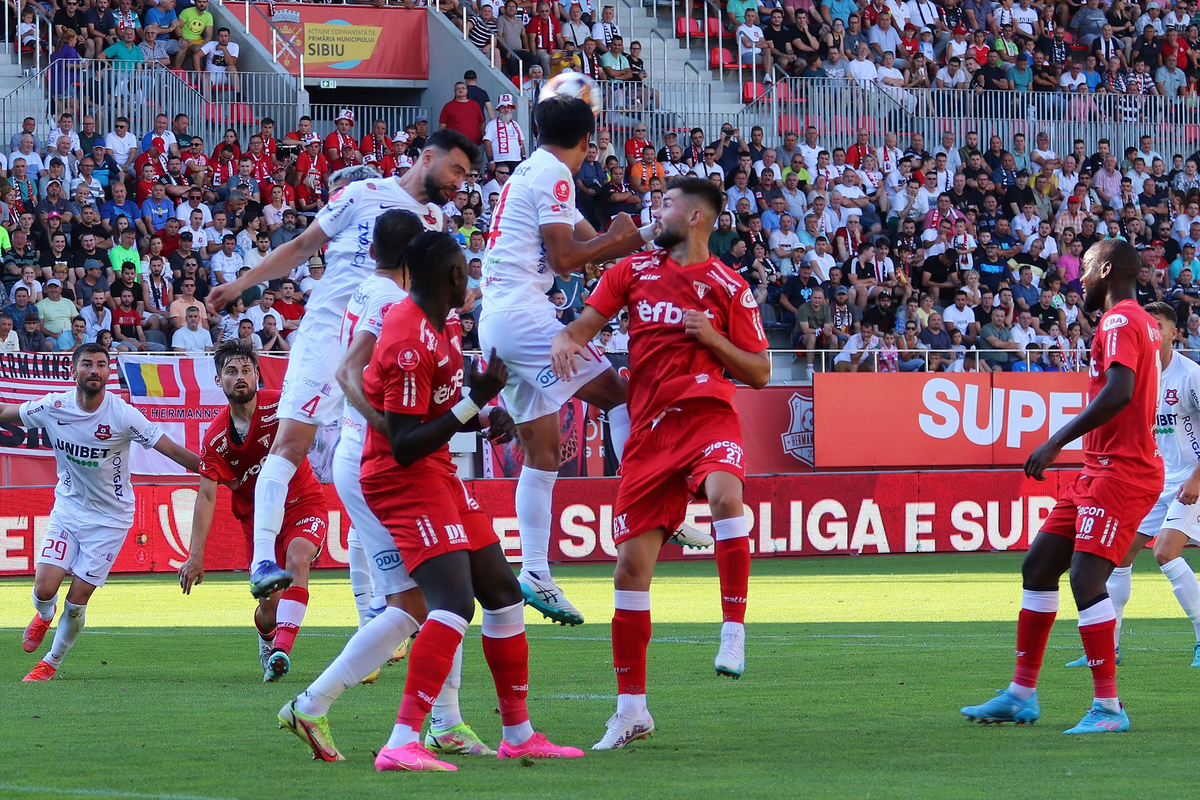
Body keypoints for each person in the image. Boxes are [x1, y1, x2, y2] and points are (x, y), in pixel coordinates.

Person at [204, 134, 476, 599]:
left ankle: (378, 608)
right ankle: (263, 560)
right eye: (456, 170)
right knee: (291, 443)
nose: (461, 184)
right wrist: (241, 284)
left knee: (367, 462)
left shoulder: (435, 220)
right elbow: (300, 247)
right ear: (427, 158)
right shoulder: (361, 193)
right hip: (330, 333)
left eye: (467, 177)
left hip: (385, 345)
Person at [550, 177, 769, 748]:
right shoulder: (632, 271)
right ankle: (631, 712)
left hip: (706, 414)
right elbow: (587, 323)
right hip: (648, 431)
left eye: (666, 204)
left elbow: (760, 372)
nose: (655, 210)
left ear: (696, 217)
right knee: (628, 571)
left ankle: (733, 628)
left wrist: (714, 340)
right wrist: (566, 340)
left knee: (726, 496)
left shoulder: (728, 286)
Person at [359, 231, 580, 770]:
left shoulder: (447, 324)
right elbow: (405, 443)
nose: (472, 278)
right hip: (402, 478)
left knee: (504, 593)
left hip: (437, 473)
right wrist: (475, 402)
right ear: (450, 277)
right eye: (465, 270)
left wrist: (481, 415)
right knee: (452, 604)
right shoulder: (408, 338)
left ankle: (519, 734)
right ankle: (402, 741)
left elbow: (441, 406)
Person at [282, 210, 491, 762]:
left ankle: (441, 722)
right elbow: (350, 373)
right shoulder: (391, 304)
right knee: (429, 599)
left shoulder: (366, 292)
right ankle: (323, 704)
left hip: (377, 455)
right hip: (383, 460)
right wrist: (384, 428)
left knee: (425, 597)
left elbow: (350, 370)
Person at [961, 239, 1163, 734]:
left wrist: (1054, 442)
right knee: (1039, 566)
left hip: (1122, 470)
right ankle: (1020, 695)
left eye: (1088, 268)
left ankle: (1109, 709)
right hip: (1098, 468)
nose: (1082, 278)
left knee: (1085, 580)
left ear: (1107, 269)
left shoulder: (1119, 320)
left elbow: (1119, 392)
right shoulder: (1141, 322)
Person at [479, 96, 651, 626]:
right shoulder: (556, 173)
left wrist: (634, 236)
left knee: (544, 456)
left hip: (499, 320)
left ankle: (534, 570)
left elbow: (589, 239)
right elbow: (567, 259)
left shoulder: (531, 169)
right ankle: (647, 504)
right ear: (586, 140)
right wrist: (624, 238)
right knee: (621, 395)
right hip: (527, 315)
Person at [11, 344, 198, 681]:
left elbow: (168, 448)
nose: (95, 370)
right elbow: (9, 412)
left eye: (101, 364)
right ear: (74, 370)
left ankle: (49, 664)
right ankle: (43, 614)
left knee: (77, 600)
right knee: (43, 589)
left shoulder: (122, 414)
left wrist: (215, 472)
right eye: (87, 364)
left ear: (109, 372)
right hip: (68, 510)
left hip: (110, 520)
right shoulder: (53, 406)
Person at [1062, 302, 1200, 669]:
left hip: (1191, 480)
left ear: (1174, 333)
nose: (1153, 331)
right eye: (1149, 325)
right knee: (1118, 557)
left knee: (1164, 553)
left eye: (1159, 325)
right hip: (1155, 479)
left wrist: (1197, 477)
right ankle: (1111, 646)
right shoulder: (1141, 374)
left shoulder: (1190, 375)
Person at [179, 341, 327, 682]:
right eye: (231, 372)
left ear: (258, 374)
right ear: (219, 380)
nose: (240, 377)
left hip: (303, 502)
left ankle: (282, 651)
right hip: (260, 525)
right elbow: (205, 496)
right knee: (269, 609)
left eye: (246, 370)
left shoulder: (281, 404)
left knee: (298, 558)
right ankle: (267, 636)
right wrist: (196, 555)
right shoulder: (216, 438)